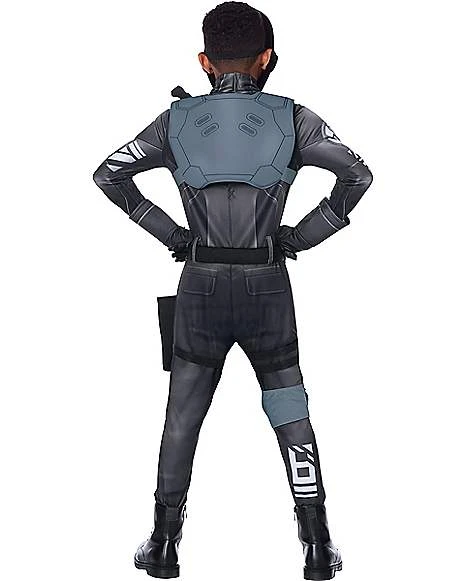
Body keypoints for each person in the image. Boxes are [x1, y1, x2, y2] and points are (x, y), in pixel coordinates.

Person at [93, 2, 373, 579]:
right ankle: (317, 544)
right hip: (268, 286)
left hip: (198, 287)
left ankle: (164, 544)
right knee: (289, 408)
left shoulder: (173, 122)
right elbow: (357, 174)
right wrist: (302, 236)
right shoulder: (295, 118)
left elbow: (108, 174)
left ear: (204, 61)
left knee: (182, 416)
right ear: (267, 58)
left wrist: (172, 235)